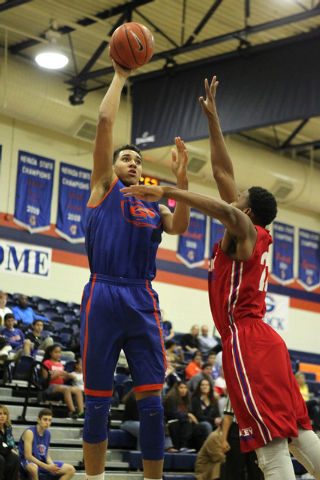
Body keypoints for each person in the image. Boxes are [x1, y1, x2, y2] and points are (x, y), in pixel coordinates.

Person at [121, 75, 320, 479]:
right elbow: (221, 168)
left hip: (247, 340)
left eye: (240, 198)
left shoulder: (242, 230)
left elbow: (225, 210)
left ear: (245, 212)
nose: (235, 195)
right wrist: (213, 120)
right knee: (299, 433)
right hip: (265, 342)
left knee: (270, 445)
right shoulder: (253, 228)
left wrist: (168, 194)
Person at [79, 58, 190, 480]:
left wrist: (180, 182)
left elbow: (179, 227)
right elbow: (106, 119)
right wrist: (121, 75)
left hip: (142, 296)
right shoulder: (103, 188)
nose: (132, 163)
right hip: (104, 293)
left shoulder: (156, 204)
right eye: (125, 158)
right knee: (96, 403)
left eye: (137, 161)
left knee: (152, 404)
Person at [19, 408, 75, 479]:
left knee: (70, 469)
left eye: (49, 420)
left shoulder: (47, 433)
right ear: (38, 420)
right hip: (27, 462)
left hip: (42, 463)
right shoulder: (30, 432)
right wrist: (47, 467)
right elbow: (28, 456)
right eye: (45, 419)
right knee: (33, 468)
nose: (47, 423)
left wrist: (52, 466)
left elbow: (47, 456)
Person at [221, 394, 263, 480]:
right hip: (237, 431)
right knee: (235, 471)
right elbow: (227, 417)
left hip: (257, 432)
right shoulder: (234, 389)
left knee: (256, 471)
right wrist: (224, 440)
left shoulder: (261, 389)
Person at [42, 344, 84, 419]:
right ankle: (72, 411)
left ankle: (81, 412)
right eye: (56, 352)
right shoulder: (46, 363)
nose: (58, 354)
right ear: (50, 353)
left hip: (61, 385)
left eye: (59, 352)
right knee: (66, 389)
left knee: (78, 390)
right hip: (50, 386)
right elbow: (46, 379)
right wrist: (59, 373)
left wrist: (67, 377)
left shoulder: (60, 364)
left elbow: (62, 379)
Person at [163, 381, 206, 452]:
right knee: (186, 422)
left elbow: (189, 412)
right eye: (181, 388)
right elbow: (173, 414)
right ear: (176, 389)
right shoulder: (171, 398)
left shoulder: (186, 400)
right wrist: (188, 415)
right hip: (170, 421)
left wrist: (188, 416)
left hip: (180, 420)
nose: (183, 390)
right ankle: (183, 446)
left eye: (185, 388)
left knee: (196, 426)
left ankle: (200, 448)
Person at [0, 404, 20, 480]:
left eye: (4, 414)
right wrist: (10, 449)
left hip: (5, 451)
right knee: (0, 459)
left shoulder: (8, 428)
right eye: (0, 414)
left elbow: (9, 444)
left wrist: (12, 450)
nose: (2, 416)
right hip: (1, 452)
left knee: (15, 458)